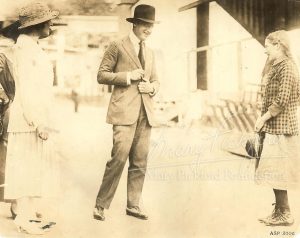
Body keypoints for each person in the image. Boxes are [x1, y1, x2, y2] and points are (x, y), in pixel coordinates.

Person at [93, 4, 160, 221]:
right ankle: (101, 205)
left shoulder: (150, 52)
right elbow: (101, 75)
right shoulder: (117, 46)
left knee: (140, 161)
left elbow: (157, 80)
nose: (148, 30)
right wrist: (128, 76)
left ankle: (133, 205)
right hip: (123, 112)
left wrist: (152, 88)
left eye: (151, 26)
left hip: (145, 113)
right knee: (119, 158)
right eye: (145, 25)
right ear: (136, 24)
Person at [3, 2, 60, 234]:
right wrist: (37, 122)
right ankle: (23, 220)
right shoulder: (25, 49)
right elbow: (26, 88)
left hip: (33, 117)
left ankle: (28, 216)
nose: (52, 25)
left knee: (33, 169)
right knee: (25, 170)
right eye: (49, 21)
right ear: (38, 24)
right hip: (28, 119)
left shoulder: (31, 46)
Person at [254, 30, 300, 226]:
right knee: (274, 169)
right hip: (273, 125)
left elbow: (282, 100)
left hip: (282, 127)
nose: (265, 50)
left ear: (278, 45)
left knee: (280, 170)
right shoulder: (275, 66)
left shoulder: (288, 67)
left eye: (267, 46)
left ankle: (286, 213)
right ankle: (280, 210)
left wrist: (263, 118)